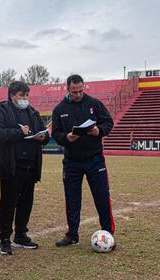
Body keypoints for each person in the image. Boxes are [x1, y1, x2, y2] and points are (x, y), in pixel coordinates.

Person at [51, 74, 115, 247]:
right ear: (68, 89)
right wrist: (67, 137)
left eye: (80, 91)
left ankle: (108, 235)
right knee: (72, 199)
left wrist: (99, 131)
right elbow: (55, 134)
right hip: (72, 162)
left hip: (95, 160)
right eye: (74, 92)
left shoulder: (94, 103)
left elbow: (109, 122)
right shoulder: (59, 109)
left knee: (102, 197)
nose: (78, 94)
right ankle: (72, 235)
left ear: (84, 87)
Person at [0, 81, 50, 255]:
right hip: (11, 166)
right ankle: (5, 239)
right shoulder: (2, 111)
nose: (25, 99)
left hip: (31, 166)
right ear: (12, 95)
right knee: (8, 203)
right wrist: (18, 132)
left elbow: (45, 135)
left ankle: (21, 235)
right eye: (21, 95)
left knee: (26, 202)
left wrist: (42, 137)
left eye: (27, 95)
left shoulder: (33, 112)